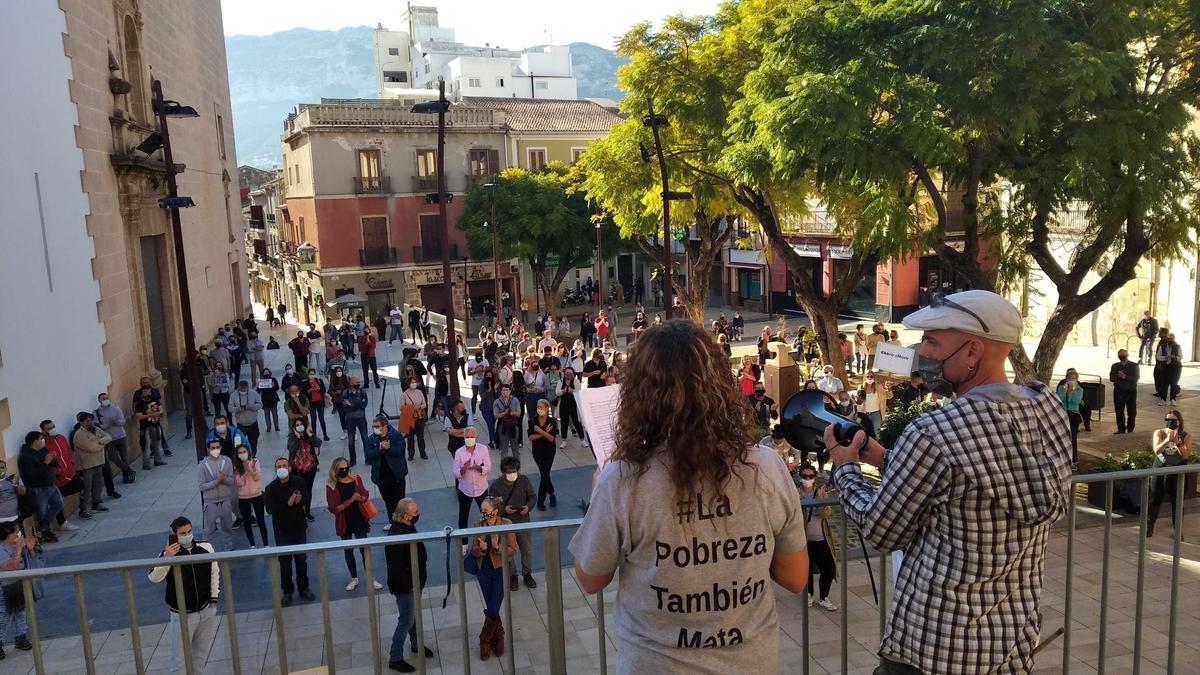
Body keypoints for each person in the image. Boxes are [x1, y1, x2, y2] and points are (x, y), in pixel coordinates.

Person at [827, 289, 1072, 674]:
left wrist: (845, 469)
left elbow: (879, 531)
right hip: (1007, 646)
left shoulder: (932, 433)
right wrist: (890, 460)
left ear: (973, 351)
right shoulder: (1047, 409)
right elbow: (981, 479)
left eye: (932, 341)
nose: (922, 352)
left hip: (932, 649)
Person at [570, 320, 809, 671]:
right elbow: (795, 576)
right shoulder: (767, 468)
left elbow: (590, 578)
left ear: (638, 394)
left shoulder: (623, 480)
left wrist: (598, 493)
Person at [147, 517, 220, 673]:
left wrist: (214, 600)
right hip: (182, 614)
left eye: (189, 531)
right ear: (175, 534)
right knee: (178, 661)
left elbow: (214, 572)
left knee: (200, 657)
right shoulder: (167, 554)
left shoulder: (205, 547)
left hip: (206, 609)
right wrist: (168, 558)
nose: (187, 535)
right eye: (182, 533)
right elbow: (154, 577)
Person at [385, 498, 434, 672]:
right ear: (406, 515)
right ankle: (395, 657)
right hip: (406, 586)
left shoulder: (406, 525)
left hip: (415, 582)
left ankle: (415, 644)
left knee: (412, 615)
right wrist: (411, 585)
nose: (418, 514)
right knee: (406, 619)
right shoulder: (397, 536)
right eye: (415, 512)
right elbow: (396, 567)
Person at [325, 457, 382, 591]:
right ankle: (354, 578)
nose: (345, 470)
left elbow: (364, 494)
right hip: (344, 522)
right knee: (348, 550)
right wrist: (350, 500)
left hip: (358, 518)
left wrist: (361, 498)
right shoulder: (331, 485)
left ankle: (371, 577)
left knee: (364, 550)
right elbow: (334, 508)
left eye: (346, 467)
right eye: (341, 468)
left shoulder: (356, 479)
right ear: (335, 470)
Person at [264, 457, 316, 605]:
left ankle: (304, 588)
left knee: (301, 561)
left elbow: (306, 498)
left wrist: (300, 501)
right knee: (285, 564)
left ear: (290, 468)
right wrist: (288, 503)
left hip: (299, 529)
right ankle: (287, 591)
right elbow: (270, 509)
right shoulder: (270, 489)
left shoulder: (298, 482)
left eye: (284, 465)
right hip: (282, 532)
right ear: (275, 469)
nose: (282, 468)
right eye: (279, 466)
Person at [471, 497, 517, 661]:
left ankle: (484, 639)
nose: (483, 514)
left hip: (500, 570)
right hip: (484, 570)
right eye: (481, 510)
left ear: (495, 511)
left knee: (494, 606)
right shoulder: (478, 525)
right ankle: (499, 634)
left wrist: (497, 547)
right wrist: (481, 549)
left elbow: (512, 551)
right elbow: (474, 552)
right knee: (492, 607)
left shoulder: (506, 524)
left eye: (486, 511)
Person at [488, 457, 537, 590]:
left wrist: (528, 507)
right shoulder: (496, 486)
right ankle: (512, 575)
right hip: (506, 523)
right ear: (503, 472)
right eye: (509, 472)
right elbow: (491, 504)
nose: (512, 474)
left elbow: (532, 496)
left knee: (526, 548)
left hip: (523, 522)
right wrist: (504, 509)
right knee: (509, 551)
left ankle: (527, 573)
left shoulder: (524, 481)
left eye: (514, 471)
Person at [798, 465, 838, 611]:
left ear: (814, 478)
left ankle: (824, 597)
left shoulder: (820, 493)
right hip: (804, 539)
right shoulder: (796, 494)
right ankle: (809, 594)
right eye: (804, 476)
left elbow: (827, 515)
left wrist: (821, 501)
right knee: (805, 569)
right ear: (800, 477)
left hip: (820, 537)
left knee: (828, 568)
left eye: (810, 476)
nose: (807, 479)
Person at [1147, 409, 1191, 539]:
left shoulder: (1185, 436)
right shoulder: (1159, 433)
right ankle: (1150, 525)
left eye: (1173, 420)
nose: (1170, 423)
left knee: (1177, 500)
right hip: (1160, 467)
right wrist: (1167, 440)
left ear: (1179, 422)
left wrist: (1178, 443)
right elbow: (1156, 450)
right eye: (1168, 420)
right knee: (1155, 497)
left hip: (1178, 470)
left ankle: (1177, 529)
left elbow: (1186, 455)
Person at [18, 432, 63, 543]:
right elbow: (33, 474)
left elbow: (54, 464)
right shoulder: (25, 457)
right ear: (35, 441)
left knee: (59, 504)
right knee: (41, 512)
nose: (43, 440)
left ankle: (42, 527)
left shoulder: (43, 450)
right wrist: (46, 462)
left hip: (50, 485)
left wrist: (53, 458)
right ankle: (46, 532)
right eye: (41, 438)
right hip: (38, 488)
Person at [366, 416, 408, 532]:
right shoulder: (372, 439)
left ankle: (402, 522)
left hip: (396, 475)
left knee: (399, 500)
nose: (375, 429)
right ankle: (392, 521)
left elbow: (400, 451)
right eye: (374, 426)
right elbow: (369, 456)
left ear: (385, 426)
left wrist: (389, 448)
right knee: (388, 500)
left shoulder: (396, 436)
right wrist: (379, 450)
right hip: (381, 477)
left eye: (377, 426)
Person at [72, 412, 112, 519]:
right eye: (88, 420)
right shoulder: (79, 435)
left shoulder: (95, 429)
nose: (90, 422)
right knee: (86, 488)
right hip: (87, 465)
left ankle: (96, 504)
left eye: (91, 419)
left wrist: (99, 442)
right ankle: (83, 510)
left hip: (98, 462)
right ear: (82, 422)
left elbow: (108, 437)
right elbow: (91, 448)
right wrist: (101, 444)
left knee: (97, 485)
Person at [452, 429, 492, 536]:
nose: (469, 439)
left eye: (471, 437)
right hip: (465, 490)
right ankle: (463, 543)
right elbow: (455, 472)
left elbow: (488, 468)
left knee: (487, 515)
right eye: (467, 437)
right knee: (463, 518)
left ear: (476, 437)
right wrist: (463, 469)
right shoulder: (459, 452)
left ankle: (489, 538)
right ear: (464, 438)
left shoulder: (483, 449)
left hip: (481, 488)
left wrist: (478, 467)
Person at [198, 439, 235, 551]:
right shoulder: (202, 465)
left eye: (217, 447)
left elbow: (231, 481)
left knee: (227, 526)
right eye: (213, 448)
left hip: (225, 499)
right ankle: (205, 549)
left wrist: (223, 480)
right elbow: (202, 486)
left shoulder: (227, 461)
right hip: (210, 501)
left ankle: (228, 547)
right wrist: (217, 481)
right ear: (208, 449)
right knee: (209, 528)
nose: (215, 450)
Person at [95, 393, 135, 485]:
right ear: (99, 400)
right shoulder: (97, 412)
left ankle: (126, 476)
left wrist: (117, 422)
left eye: (107, 398)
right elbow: (98, 427)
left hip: (121, 436)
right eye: (103, 398)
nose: (105, 400)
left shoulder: (116, 408)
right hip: (109, 440)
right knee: (114, 458)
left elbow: (122, 421)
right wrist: (109, 424)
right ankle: (130, 471)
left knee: (124, 457)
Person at [527, 399, 559, 511]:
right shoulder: (532, 421)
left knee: (544, 474)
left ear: (546, 408)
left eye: (541, 407)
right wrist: (545, 432)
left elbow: (551, 438)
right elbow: (530, 437)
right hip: (537, 452)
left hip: (549, 452)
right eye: (537, 407)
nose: (539, 409)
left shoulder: (552, 421)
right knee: (544, 474)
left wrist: (540, 431)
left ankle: (540, 500)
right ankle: (552, 494)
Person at [233, 444, 268, 548]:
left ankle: (266, 544)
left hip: (256, 495)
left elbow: (257, 477)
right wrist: (245, 472)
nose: (243, 454)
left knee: (261, 520)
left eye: (244, 451)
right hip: (243, 497)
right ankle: (252, 545)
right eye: (240, 452)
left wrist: (250, 469)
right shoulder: (236, 466)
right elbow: (239, 483)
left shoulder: (255, 462)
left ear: (248, 452)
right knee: (247, 522)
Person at [286, 420, 322, 521]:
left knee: (308, 489)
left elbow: (318, 443)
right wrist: (297, 438)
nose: (299, 426)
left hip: (310, 467)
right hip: (296, 468)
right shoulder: (292, 437)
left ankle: (307, 511)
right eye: (297, 425)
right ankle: (299, 511)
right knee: (297, 490)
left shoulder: (309, 435)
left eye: (301, 424)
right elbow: (291, 449)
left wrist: (310, 434)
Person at [134, 385, 167, 469]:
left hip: (156, 425)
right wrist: (151, 414)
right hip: (146, 427)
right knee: (146, 445)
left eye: (149, 390)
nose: (147, 392)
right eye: (145, 391)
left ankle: (158, 460)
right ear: (142, 392)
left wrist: (159, 413)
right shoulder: (140, 403)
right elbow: (139, 416)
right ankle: (146, 464)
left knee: (157, 443)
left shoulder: (155, 400)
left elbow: (161, 409)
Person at [1057, 370, 1085, 466]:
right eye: (1069, 379)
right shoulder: (1061, 388)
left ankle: (1074, 460)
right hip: (1063, 414)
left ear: (1076, 380)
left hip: (1073, 415)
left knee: (1073, 438)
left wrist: (1072, 391)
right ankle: (1063, 458)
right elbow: (1059, 400)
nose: (1071, 381)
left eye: (1073, 379)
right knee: (1062, 437)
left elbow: (1076, 401)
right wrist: (1065, 391)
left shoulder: (1079, 389)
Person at [1110, 349, 1140, 434]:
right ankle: (1121, 429)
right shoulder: (1115, 366)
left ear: (1127, 355)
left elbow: (1136, 378)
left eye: (1124, 355)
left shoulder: (1134, 366)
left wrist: (1125, 377)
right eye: (1121, 355)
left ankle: (1130, 428)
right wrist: (1118, 376)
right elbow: (1111, 378)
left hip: (1130, 391)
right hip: (1118, 391)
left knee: (1132, 411)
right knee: (1119, 412)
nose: (1122, 357)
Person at [229, 380, 263, 453]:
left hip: (253, 423)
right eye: (241, 389)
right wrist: (238, 409)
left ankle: (253, 456)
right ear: (238, 388)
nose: (243, 390)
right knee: (240, 443)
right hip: (241, 424)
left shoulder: (253, 393)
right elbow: (230, 408)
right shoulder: (233, 395)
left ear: (248, 387)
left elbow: (260, 404)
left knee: (253, 443)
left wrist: (251, 407)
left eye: (245, 389)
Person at [342, 376, 370, 466]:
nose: (358, 384)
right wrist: (356, 404)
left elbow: (364, 404)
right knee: (351, 441)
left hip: (361, 418)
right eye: (356, 383)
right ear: (351, 383)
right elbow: (345, 407)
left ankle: (368, 459)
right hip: (350, 419)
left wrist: (351, 404)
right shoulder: (345, 393)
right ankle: (353, 460)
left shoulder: (362, 392)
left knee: (365, 439)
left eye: (359, 382)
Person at [492, 384, 521, 457]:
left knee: (515, 449)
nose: (505, 392)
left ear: (510, 391)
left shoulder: (515, 400)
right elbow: (495, 415)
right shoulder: (497, 402)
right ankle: (504, 467)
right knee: (504, 450)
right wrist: (504, 413)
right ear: (501, 391)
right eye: (503, 390)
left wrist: (511, 413)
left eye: (507, 390)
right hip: (502, 426)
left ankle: (517, 467)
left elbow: (519, 413)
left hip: (513, 426)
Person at [257, 368, 281, 433]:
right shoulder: (261, 381)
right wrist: (258, 386)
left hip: (273, 399)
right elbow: (258, 391)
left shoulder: (273, 379)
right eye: (265, 373)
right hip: (265, 400)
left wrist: (274, 385)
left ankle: (276, 426)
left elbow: (277, 388)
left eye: (267, 372)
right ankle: (268, 427)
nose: (266, 374)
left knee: (275, 414)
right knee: (266, 415)